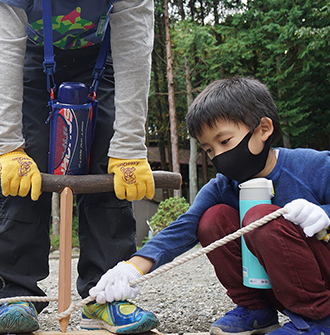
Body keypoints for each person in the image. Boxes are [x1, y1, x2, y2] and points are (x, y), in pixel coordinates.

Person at [0, 0, 158, 333]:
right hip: (31, 59)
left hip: (104, 59)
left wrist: (129, 146)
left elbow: (134, 47)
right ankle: (15, 293)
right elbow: (3, 51)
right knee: (24, 173)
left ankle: (106, 295)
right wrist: (9, 146)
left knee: (110, 172)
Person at [90, 77, 330, 335]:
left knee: (262, 216)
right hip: (277, 286)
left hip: (322, 281)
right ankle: (256, 310)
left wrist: (324, 213)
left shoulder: (314, 166)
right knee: (212, 219)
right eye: (209, 150)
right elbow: (185, 225)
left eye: (225, 141)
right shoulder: (223, 187)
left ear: (263, 129)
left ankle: (318, 321)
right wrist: (131, 268)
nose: (218, 155)